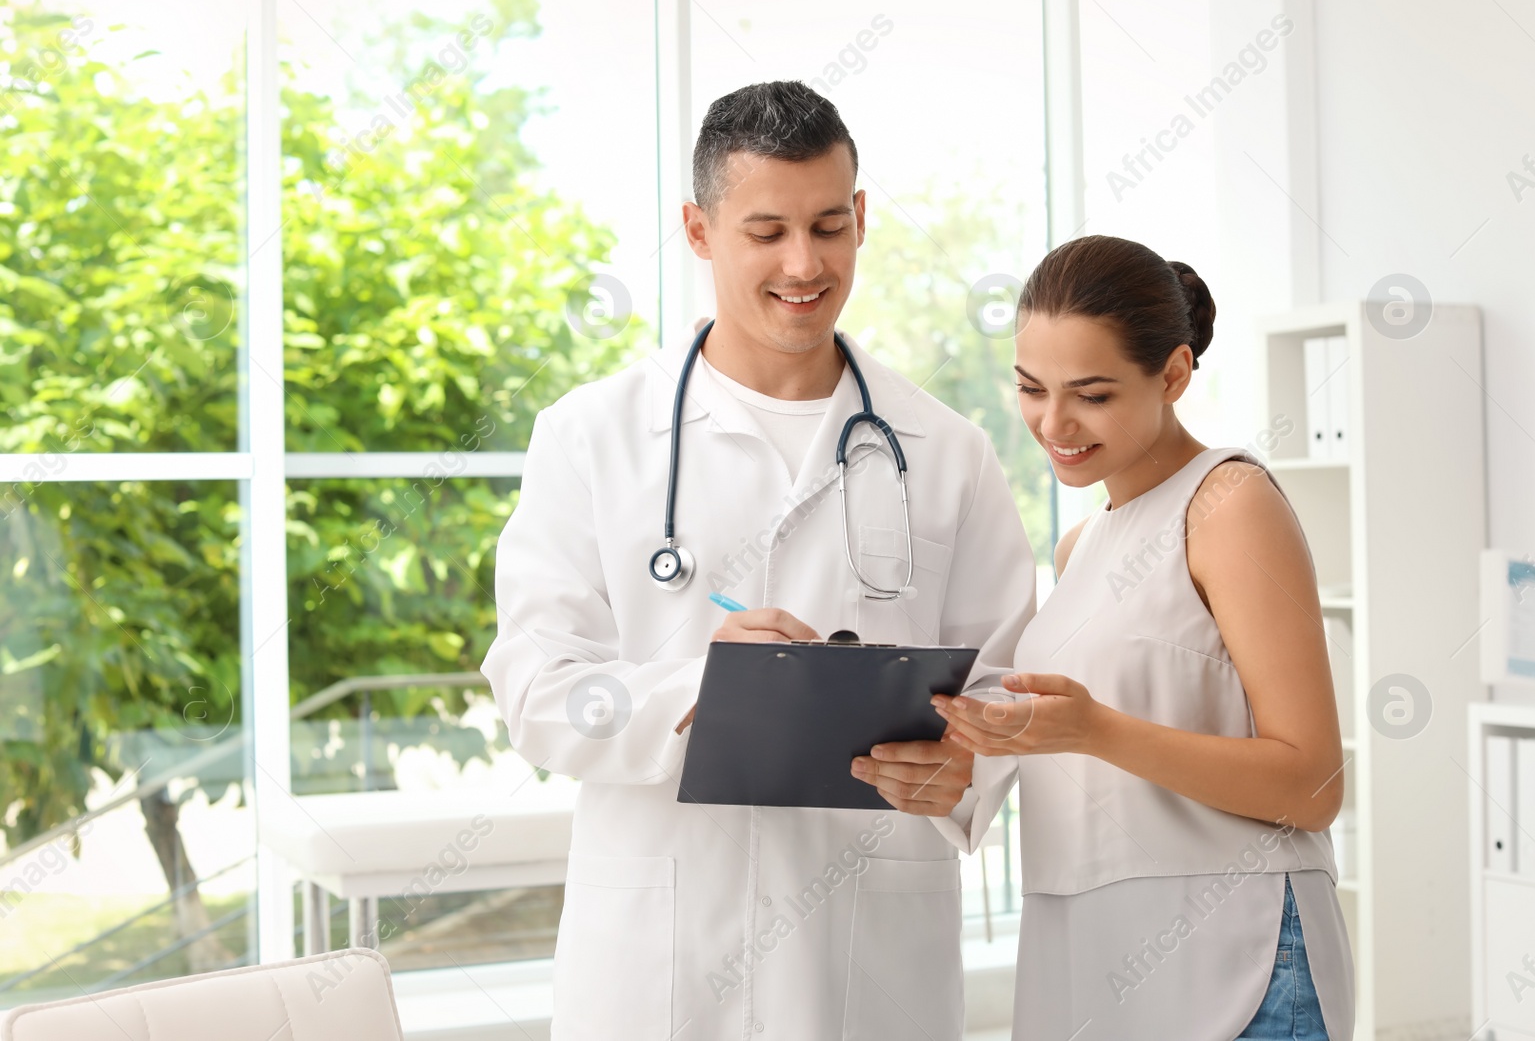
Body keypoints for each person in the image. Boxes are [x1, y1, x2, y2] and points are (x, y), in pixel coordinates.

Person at [482, 81, 1036, 1040]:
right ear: (699, 231)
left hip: (867, 956)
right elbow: (535, 692)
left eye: (829, 225)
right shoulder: (590, 437)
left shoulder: (946, 451)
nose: (803, 263)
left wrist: (962, 773)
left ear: (862, 218)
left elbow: (1004, 691)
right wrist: (699, 682)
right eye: (766, 230)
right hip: (662, 960)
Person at [933, 234, 1356, 1041]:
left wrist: (1095, 729)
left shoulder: (1228, 504)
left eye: (1091, 394)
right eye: (1030, 387)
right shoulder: (1080, 547)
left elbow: (1312, 782)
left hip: (1236, 955)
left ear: (1173, 373)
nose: (1053, 422)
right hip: (1096, 958)